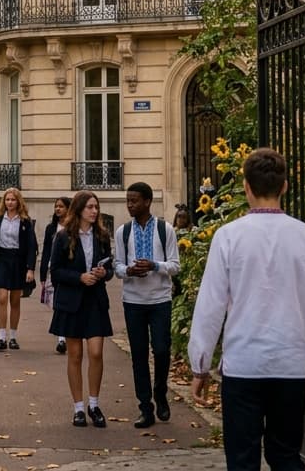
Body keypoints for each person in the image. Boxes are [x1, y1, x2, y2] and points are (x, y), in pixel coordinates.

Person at [188, 147, 305, 470]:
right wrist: (298, 318)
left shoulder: (228, 237)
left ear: (245, 186)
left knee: (242, 458)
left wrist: (200, 364)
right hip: (291, 362)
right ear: (284, 186)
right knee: (285, 454)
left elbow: (211, 306)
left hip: (244, 364)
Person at [115, 181, 180, 427]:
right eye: (128, 201)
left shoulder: (165, 230)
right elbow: (118, 266)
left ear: (147, 202)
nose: (130, 205)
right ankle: (145, 407)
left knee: (162, 349)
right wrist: (129, 270)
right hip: (133, 301)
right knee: (138, 355)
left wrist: (154, 265)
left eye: (134, 201)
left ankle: (160, 391)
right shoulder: (123, 232)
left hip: (160, 300)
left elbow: (175, 265)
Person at [49, 190, 114, 428]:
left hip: (95, 300)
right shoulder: (64, 236)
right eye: (90, 207)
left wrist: (102, 273)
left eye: (96, 207)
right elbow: (54, 272)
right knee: (75, 355)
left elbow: (110, 268)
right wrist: (79, 277)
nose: (95, 211)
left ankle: (94, 404)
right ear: (79, 210)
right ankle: (78, 407)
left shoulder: (102, 236)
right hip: (71, 301)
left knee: (96, 352)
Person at [0, 187, 38, 350]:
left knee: (15, 300)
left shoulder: (25, 221)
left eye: (13, 199)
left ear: (18, 201)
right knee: (2, 298)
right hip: (1, 260)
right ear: (4, 202)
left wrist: (30, 269)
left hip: (18, 261)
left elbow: (31, 246)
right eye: (7, 199)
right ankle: (1, 336)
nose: (10, 202)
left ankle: (13, 337)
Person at [40, 195, 71, 354]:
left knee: (64, 302)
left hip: (69, 271)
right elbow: (46, 251)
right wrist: (43, 274)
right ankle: (62, 337)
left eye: (61, 206)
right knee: (56, 303)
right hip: (53, 269)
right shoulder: (51, 228)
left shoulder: (73, 227)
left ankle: (63, 337)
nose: (58, 209)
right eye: (56, 206)